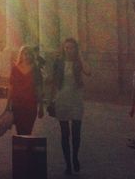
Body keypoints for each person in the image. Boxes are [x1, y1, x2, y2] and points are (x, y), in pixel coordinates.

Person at [49, 38, 88, 175]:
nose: (68, 50)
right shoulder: (58, 62)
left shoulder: (78, 62)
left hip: (76, 99)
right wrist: (50, 100)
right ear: (63, 48)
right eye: (66, 47)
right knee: (64, 133)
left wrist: (81, 56)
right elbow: (53, 82)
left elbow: (88, 71)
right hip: (62, 99)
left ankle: (75, 157)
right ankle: (68, 164)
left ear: (75, 49)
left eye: (71, 47)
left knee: (76, 132)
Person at [8, 45, 44, 135]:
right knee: (19, 131)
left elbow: (39, 89)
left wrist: (41, 106)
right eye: (25, 54)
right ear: (21, 55)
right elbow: (11, 88)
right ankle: (21, 149)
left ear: (32, 56)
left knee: (28, 131)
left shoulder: (36, 70)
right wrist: (7, 105)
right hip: (17, 104)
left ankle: (27, 148)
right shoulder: (15, 69)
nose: (27, 56)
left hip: (31, 105)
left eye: (29, 54)